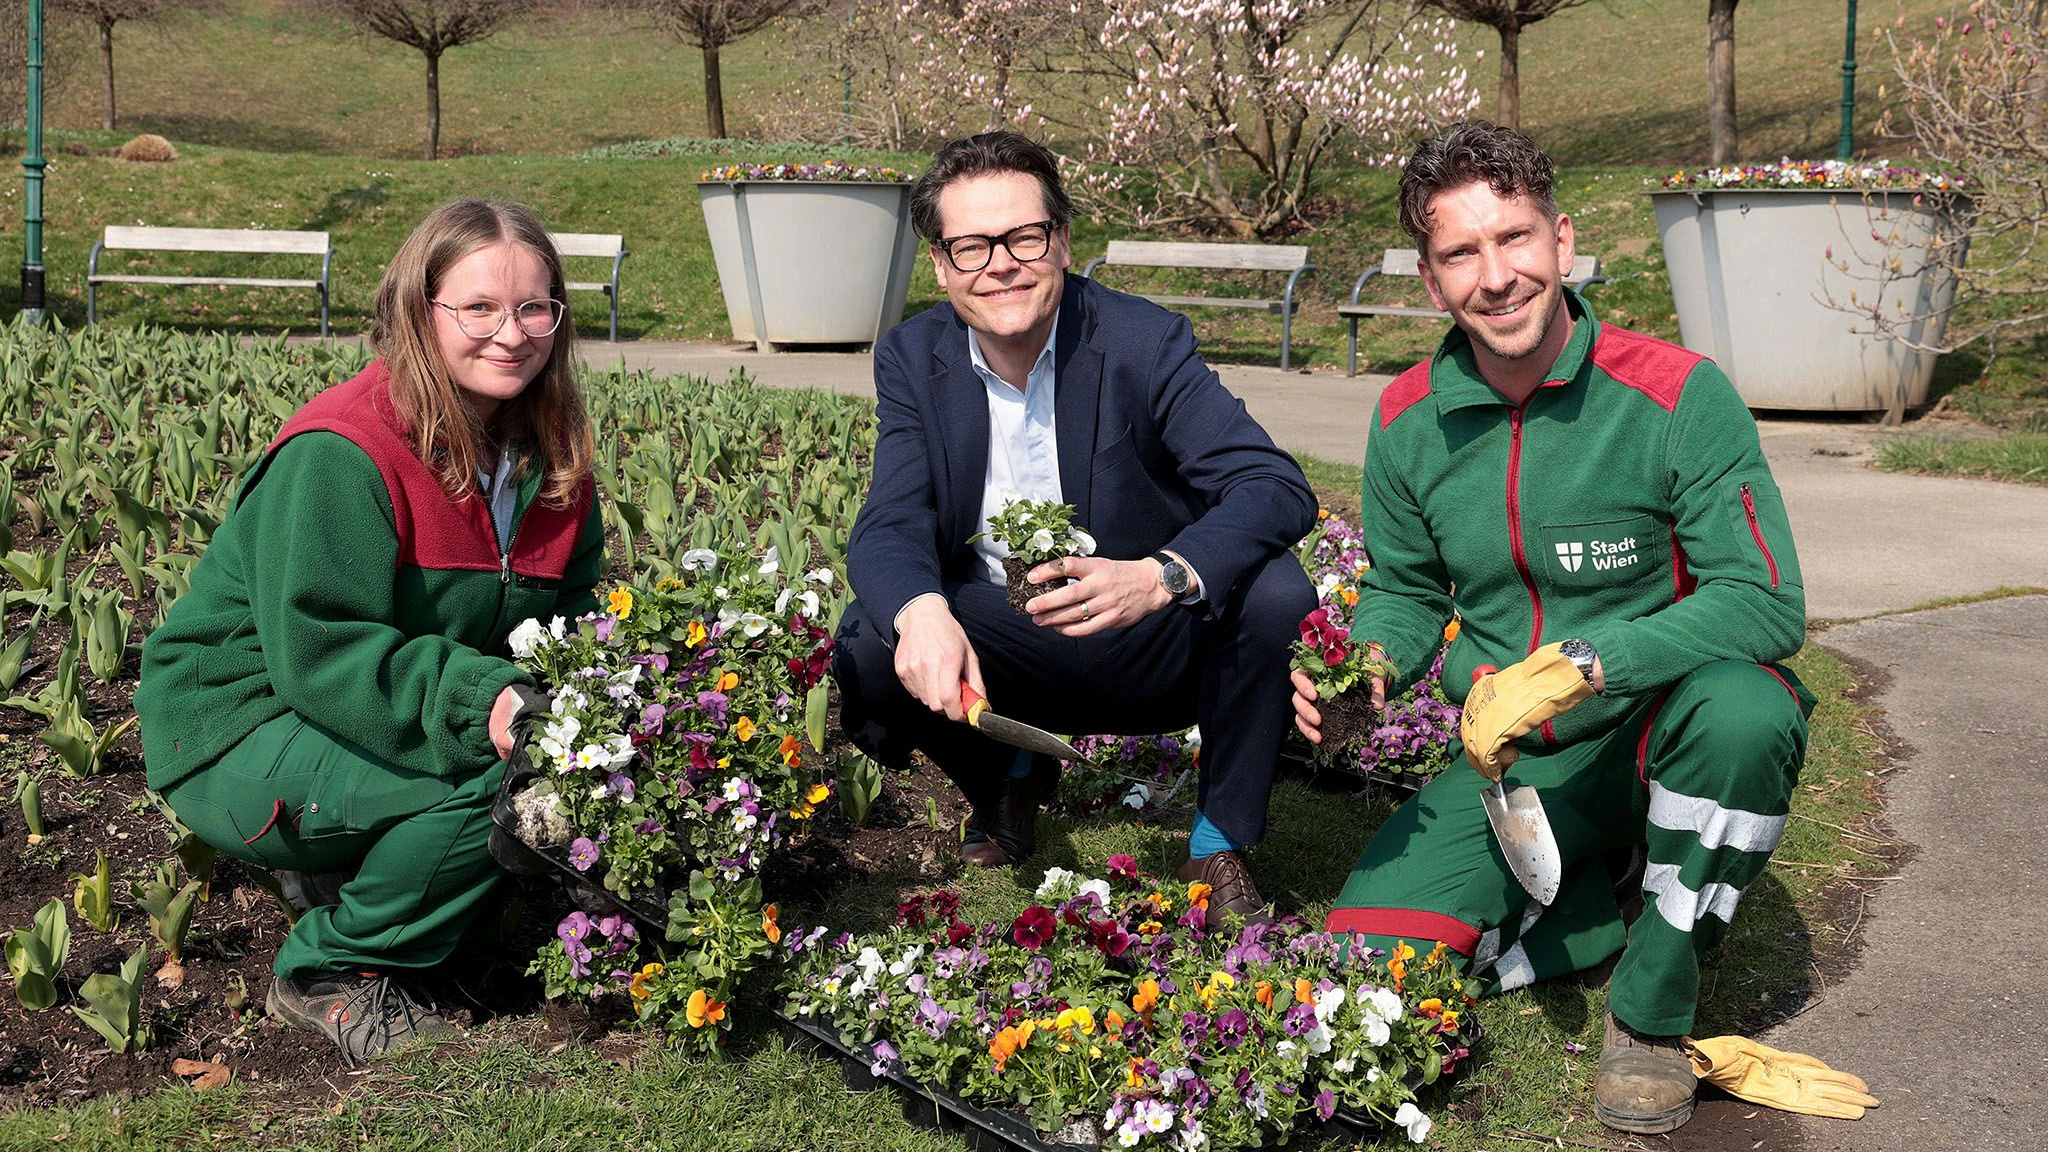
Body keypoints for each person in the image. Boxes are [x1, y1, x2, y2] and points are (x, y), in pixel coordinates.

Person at [1292, 122, 1812, 1135]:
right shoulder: (1406, 418)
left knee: (1748, 712)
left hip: (1662, 732)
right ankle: (1601, 889)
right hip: (1510, 772)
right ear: (1430, 281)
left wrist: (1589, 661)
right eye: (1460, 253)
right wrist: (1366, 665)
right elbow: (1403, 593)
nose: (1495, 276)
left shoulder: (1674, 395)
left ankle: (1651, 1010)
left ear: (1561, 242)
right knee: (1363, 965)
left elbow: (1764, 601)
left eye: (1514, 238)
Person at [136, 200, 606, 1065]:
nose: (512, 333)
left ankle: (353, 875)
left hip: (364, 716)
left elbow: (571, 621)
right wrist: (484, 700)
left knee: (567, 764)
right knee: (503, 781)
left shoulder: (552, 461)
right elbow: (320, 650)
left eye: (535, 307)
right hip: (242, 723)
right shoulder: (345, 449)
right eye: (479, 309)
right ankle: (330, 969)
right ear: (417, 313)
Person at [832, 131, 1317, 921]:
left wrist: (1159, 575)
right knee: (872, 637)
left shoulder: (1142, 341)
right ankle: (1004, 779)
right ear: (940, 264)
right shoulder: (913, 357)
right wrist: (921, 612)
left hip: (1150, 637)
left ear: (1061, 240)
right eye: (971, 246)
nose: (1001, 264)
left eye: (1024, 236)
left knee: (1274, 590)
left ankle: (1219, 841)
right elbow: (890, 522)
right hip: (1003, 643)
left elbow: (1273, 484)